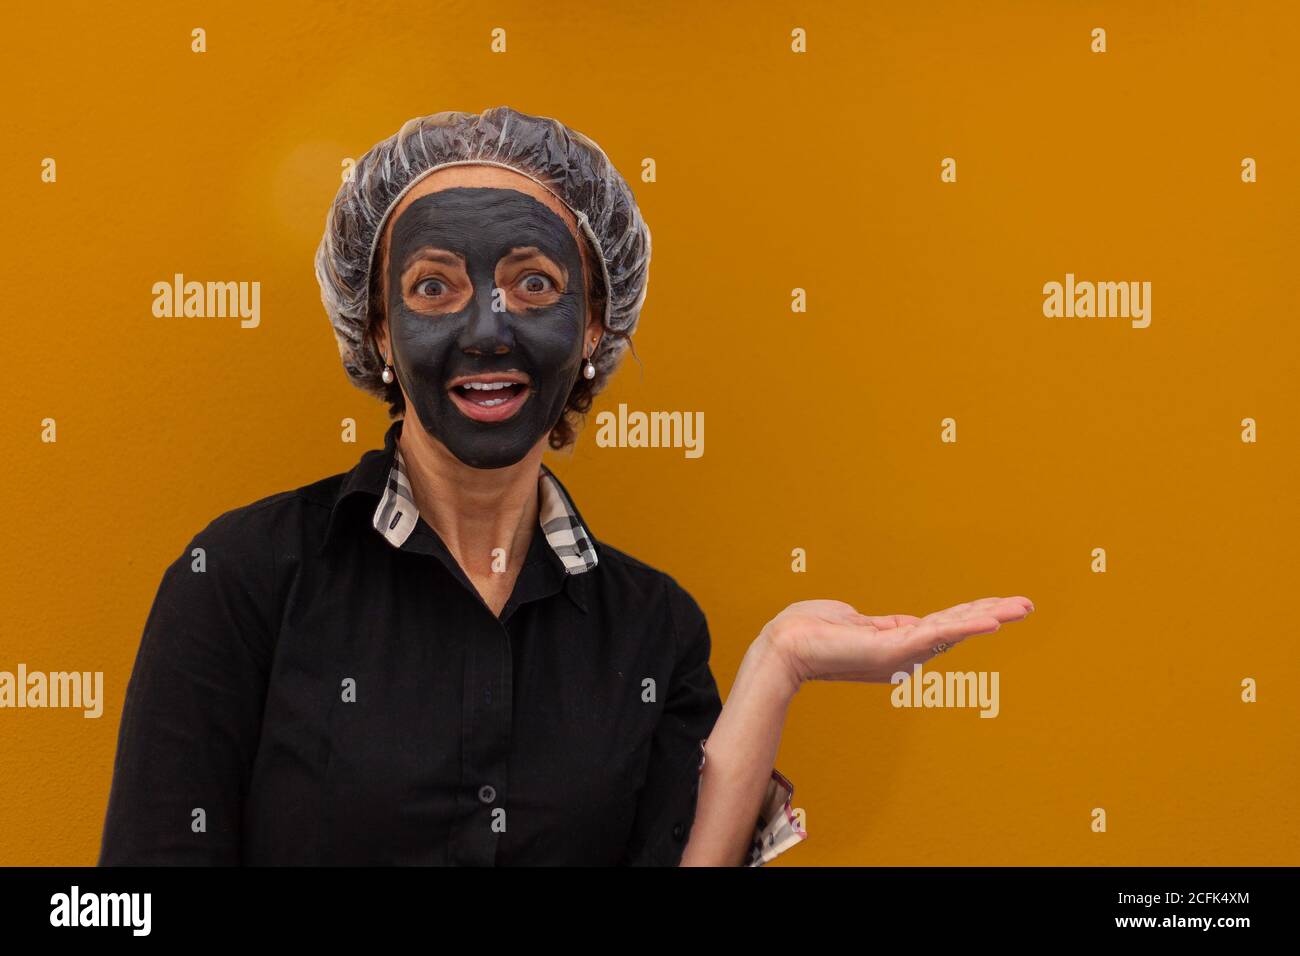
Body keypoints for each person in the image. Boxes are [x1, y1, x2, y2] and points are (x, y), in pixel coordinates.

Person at [99, 106, 1033, 866]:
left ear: (594, 326)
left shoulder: (653, 629)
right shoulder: (241, 580)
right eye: (431, 288)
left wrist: (779, 664)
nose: (487, 329)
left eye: (535, 284)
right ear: (377, 329)